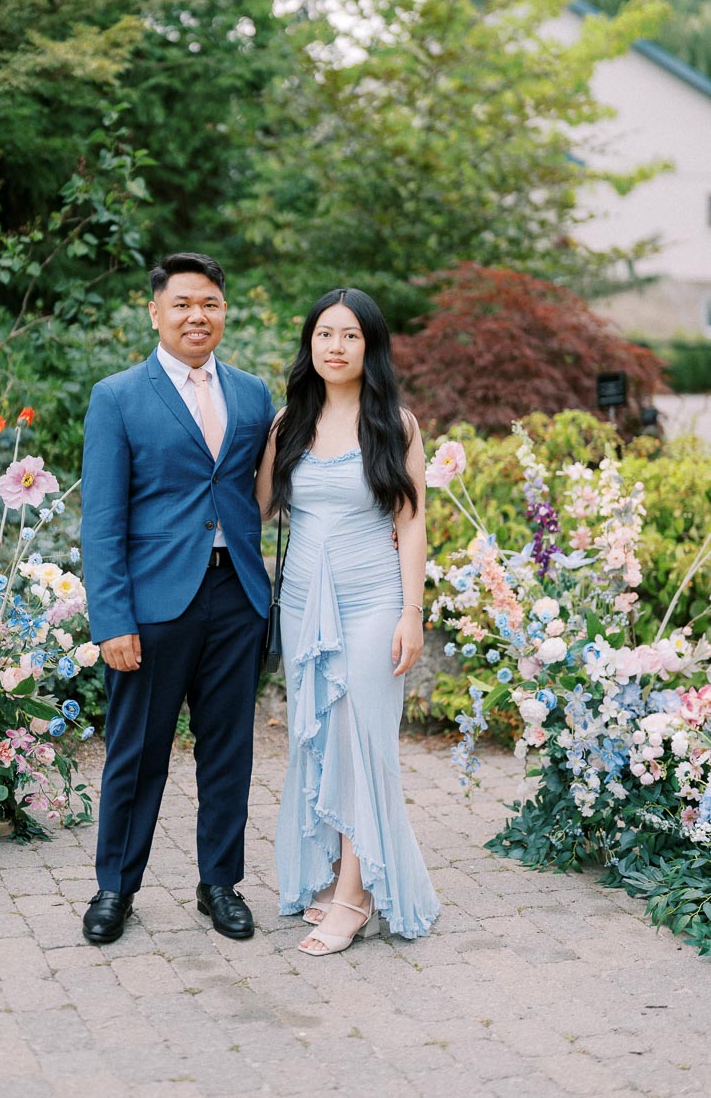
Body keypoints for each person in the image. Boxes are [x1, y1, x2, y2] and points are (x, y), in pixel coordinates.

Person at [80, 252, 274, 945]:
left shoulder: (253, 394)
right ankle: (116, 888)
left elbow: (264, 493)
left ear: (225, 312)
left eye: (212, 304)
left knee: (229, 750)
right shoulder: (118, 396)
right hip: (153, 604)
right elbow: (100, 520)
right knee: (137, 751)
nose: (199, 315)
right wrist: (112, 618)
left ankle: (219, 883)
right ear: (156, 311)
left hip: (236, 595)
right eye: (185, 303)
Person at [255, 288, 440, 956]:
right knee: (320, 739)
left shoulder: (397, 424)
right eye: (325, 334)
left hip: (372, 602)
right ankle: (332, 872)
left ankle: (356, 898)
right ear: (310, 345)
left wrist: (411, 614)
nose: (336, 346)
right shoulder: (288, 424)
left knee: (363, 742)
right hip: (304, 603)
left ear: (372, 347)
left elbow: (412, 522)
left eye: (351, 335)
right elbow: (257, 511)